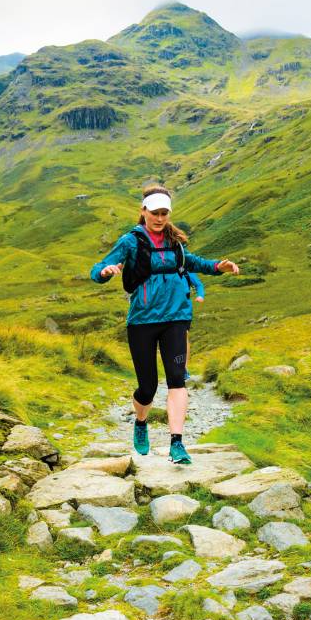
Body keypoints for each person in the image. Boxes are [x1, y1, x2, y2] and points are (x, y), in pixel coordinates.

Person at [90, 184, 239, 464]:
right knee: (147, 388)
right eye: (155, 212)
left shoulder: (175, 242)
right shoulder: (130, 241)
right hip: (143, 320)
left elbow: (194, 262)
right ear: (143, 211)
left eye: (164, 213)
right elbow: (98, 268)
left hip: (176, 319)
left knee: (177, 379)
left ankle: (177, 443)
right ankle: (141, 421)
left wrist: (218, 266)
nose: (160, 218)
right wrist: (105, 272)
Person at [184, 273, 205, 381]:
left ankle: (184, 369)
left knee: (184, 335)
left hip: (184, 311)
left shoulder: (184, 267)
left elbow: (198, 284)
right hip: (165, 310)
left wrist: (200, 295)